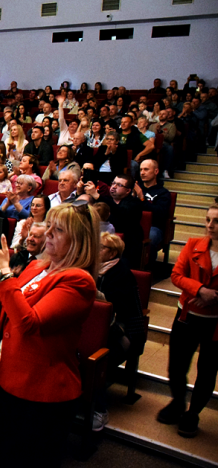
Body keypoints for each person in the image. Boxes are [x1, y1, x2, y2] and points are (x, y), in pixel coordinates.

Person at [0, 201, 99, 467]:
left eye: (57, 230)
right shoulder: (37, 267)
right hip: (7, 376)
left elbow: (28, 324)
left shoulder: (79, 281)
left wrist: (2, 273)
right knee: (1, 454)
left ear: (79, 240)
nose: (47, 233)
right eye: (49, 226)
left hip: (41, 391)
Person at [158, 204, 218, 438]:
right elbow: (176, 275)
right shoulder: (194, 244)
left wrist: (214, 298)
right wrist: (200, 290)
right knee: (177, 365)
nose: (210, 226)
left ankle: (193, 413)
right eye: (207, 220)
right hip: (187, 316)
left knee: (207, 370)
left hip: (215, 323)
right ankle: (178, 402)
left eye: (216, 221)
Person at [93, 232, 145, 430]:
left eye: (100, 247)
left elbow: (115, 306)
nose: (95, 250)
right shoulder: (96, 269)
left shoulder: (121, 273)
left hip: (123, 331)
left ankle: (99, 409)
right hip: (101, 325)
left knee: (95, 357)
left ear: (112, 252)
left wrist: (90, 289)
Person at [133, 159, 171, 258]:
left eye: (146, 169)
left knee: (151, 236)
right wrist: (131, 196)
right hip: (134, 222)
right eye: (141, 170)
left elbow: (159, 214)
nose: (142, 173)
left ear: (156, 171)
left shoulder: (163, 193)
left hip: (154, 226)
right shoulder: (135, 188)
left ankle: (148, 269)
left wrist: (141, 198)